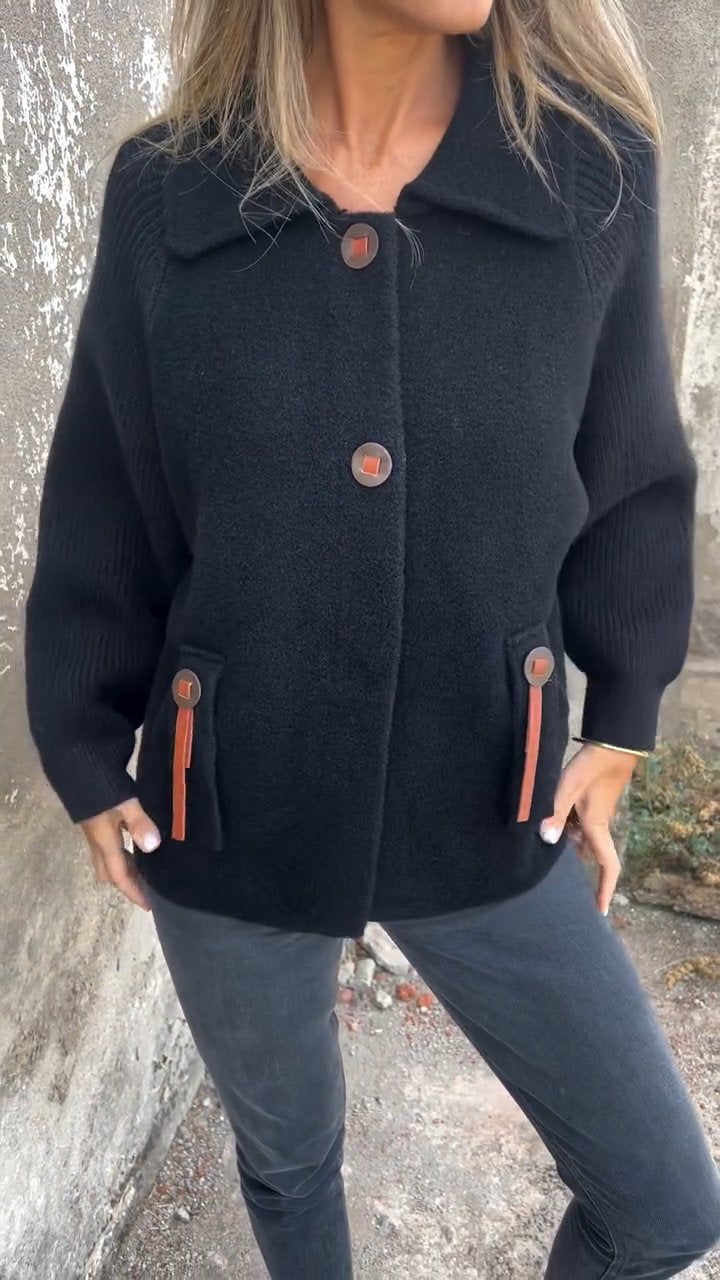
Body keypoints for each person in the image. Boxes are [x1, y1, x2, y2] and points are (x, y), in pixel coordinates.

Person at [24, 1, 720, 1276]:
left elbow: (631, 473)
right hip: (227, 803)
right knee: (290, 1162)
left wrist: (624, 712)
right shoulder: (167, 195)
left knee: (666, 1203)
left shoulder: (589, 174)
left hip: (491, 787)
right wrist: (81, 738)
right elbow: (106, 498)